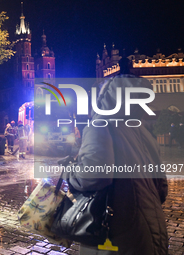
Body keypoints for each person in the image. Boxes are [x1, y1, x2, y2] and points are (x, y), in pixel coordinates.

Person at [63, 58, 168, 254]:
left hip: (115, 233)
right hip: (152, 231)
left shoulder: (100, 125)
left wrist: (70, 172)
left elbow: (93, 176)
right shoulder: (145, 132)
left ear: (105, 99)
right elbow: (162, 189)